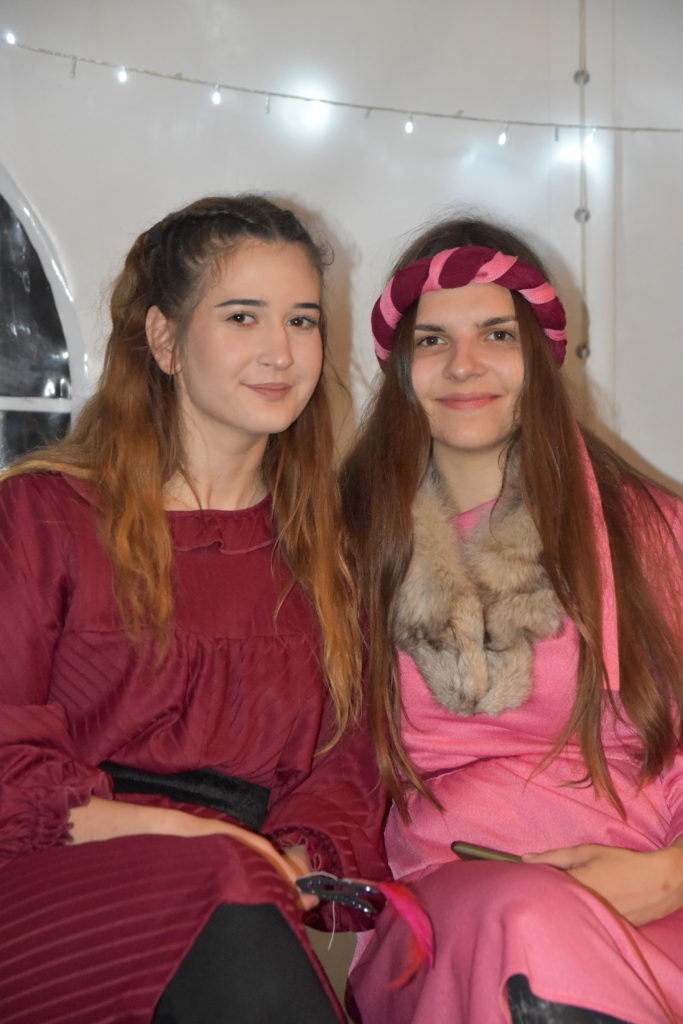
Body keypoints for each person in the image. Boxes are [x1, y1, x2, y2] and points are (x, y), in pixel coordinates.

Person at [0, 194, 388, 1024]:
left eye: (302, 320)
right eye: (243, 317)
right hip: (48, 885)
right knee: (227, 883)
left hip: (240, 902)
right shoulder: (38, 515)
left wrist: (288, 859)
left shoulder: (334, 553)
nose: (281, 351)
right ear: (165, 339)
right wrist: (209, 844)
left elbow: (343, 778)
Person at [341, 216, 683, 1024]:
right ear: (399, 368)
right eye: (432, 340)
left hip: (650, 888)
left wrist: (671, 873)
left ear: (538, 353)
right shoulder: (340, 546)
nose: (463, 364)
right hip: (447, 910)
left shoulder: (650, 531)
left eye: (496, 334)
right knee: (522, 919)